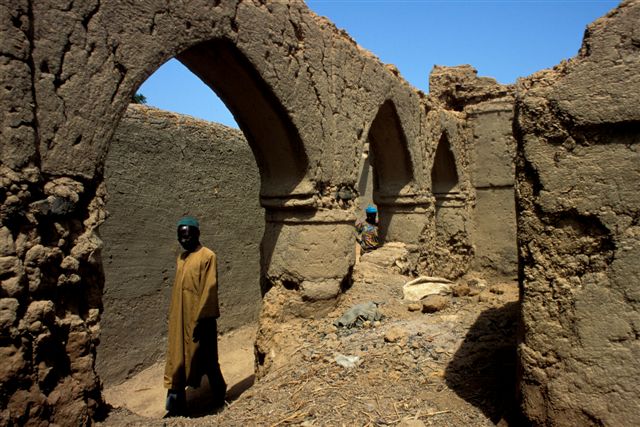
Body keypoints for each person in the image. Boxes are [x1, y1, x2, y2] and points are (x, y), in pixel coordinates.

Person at [164, 216, 226, 416]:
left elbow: (209, 289)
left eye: (187, 236)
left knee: (206, 359)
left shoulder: (208, 256)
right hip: (181, 320)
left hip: (201, 321)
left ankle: (219, 396)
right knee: (177, 360)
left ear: (197, 234)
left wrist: (202, 319)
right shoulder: (182, 258)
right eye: (180, 237)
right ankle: (175, 407)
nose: (183, 240)